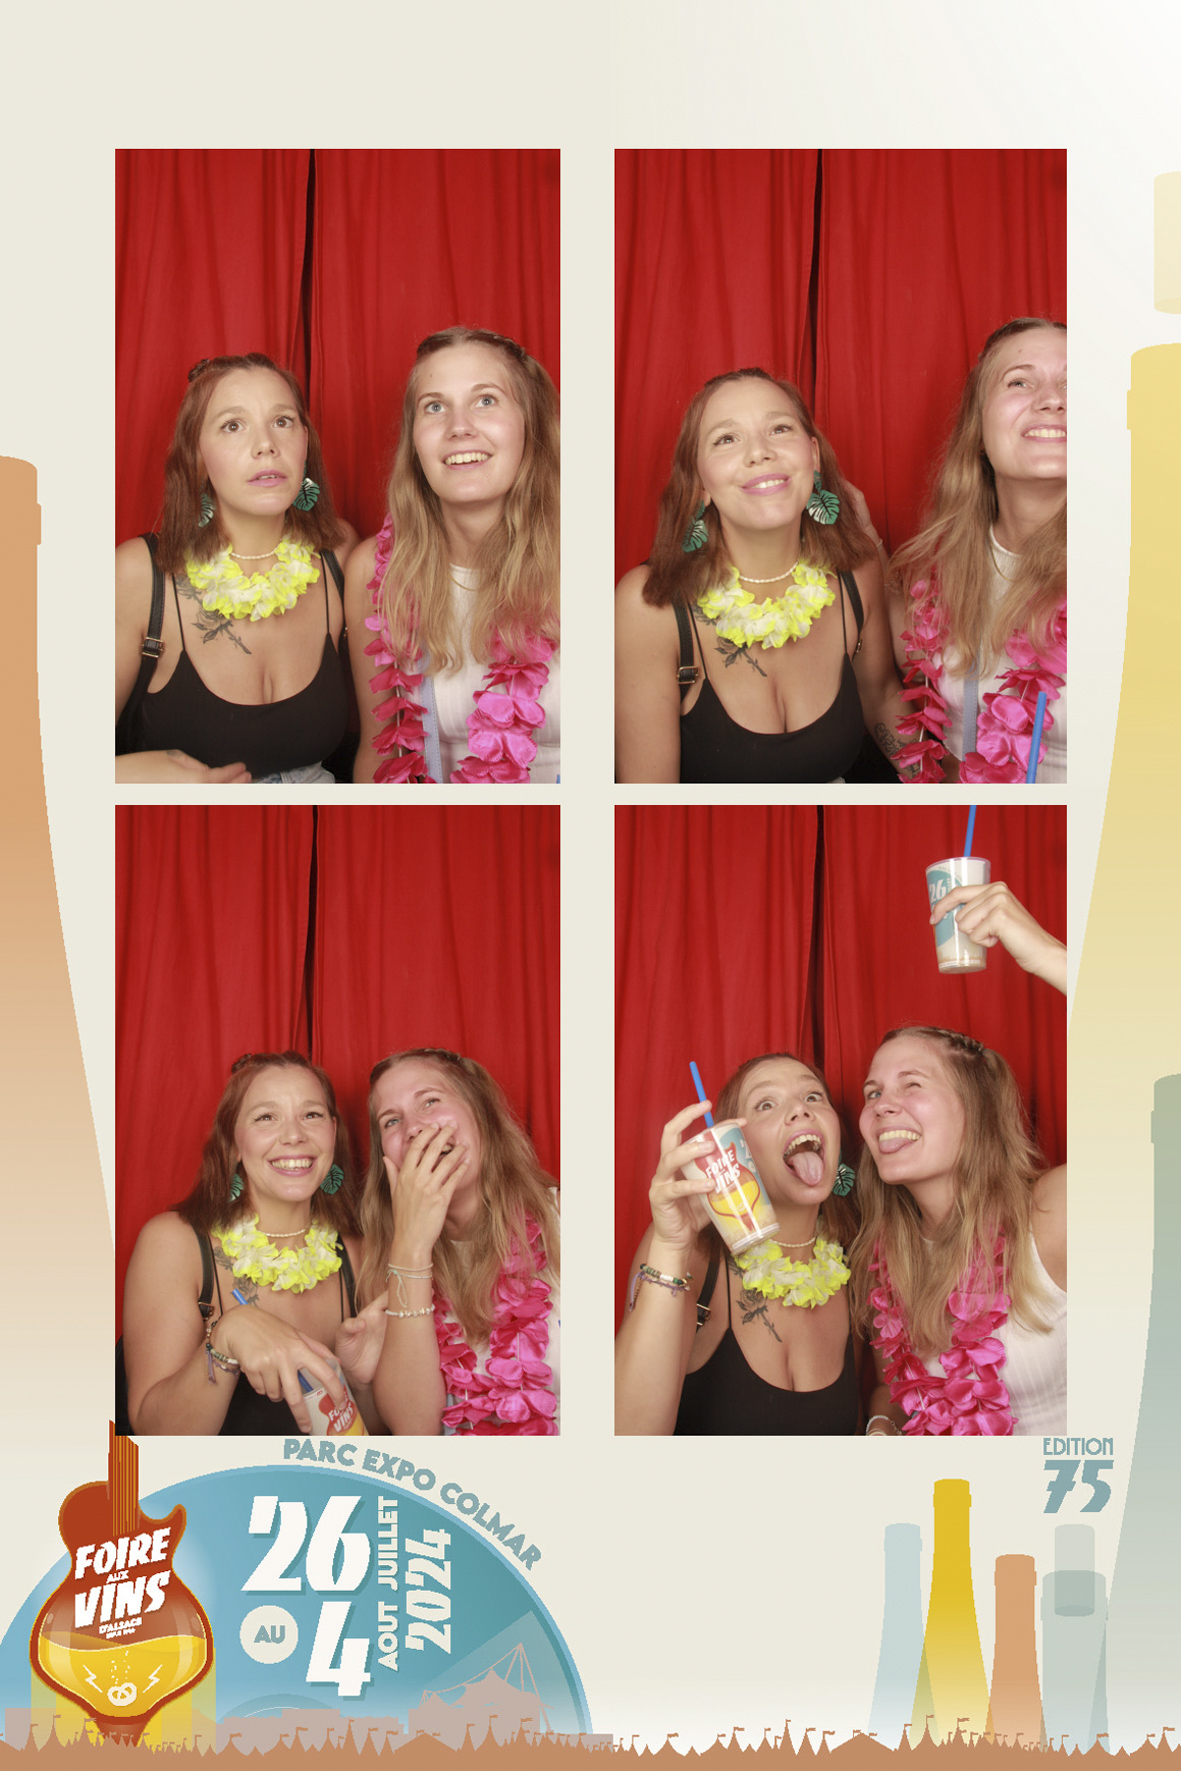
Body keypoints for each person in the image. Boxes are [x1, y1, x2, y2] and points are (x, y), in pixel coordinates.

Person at [614, 367, 907, 783]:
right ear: (699, 481)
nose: (759, 452)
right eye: (726, 439)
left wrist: (942, 778)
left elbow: (881, 697)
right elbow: (649, 799)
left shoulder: (857, 570)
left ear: (813, 456)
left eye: (779, 429)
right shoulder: (648, 607)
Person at [852, 883, 1067, 1436]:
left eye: (912, 1083)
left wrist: (1049, 958)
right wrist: (880, 1425)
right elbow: (894, 1389)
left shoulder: (1052, 1213)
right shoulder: (889, 1258)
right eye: (873, 1092)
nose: (882, 1105)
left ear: (976, 1107)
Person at [116, 353, 356, 784]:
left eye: (282, 421)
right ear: (197, 455)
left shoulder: (340, 554)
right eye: (233, 425)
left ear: (305, 442)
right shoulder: (136, 574)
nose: (266, 444)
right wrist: (127, 776)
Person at [346, 328, 560, 784]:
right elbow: (377, 753)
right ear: (414, 441)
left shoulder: (583, 563)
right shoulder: (378, 571)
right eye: (435, 407)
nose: (459, 426)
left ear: (530, 422)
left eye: (486, 400)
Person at [122, 1052, 375, 1435]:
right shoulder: (174, 1244)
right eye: (266, 1117)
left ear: (334, 1133)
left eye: (312, 1115)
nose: (294, 1135)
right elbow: (155, 1433)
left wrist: (361, 1384)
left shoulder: (361, 1254)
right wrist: (228, 1336)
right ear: (233, 1143)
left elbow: (372, 1434)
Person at [615, 1054, 863, 1435]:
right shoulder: (693, 1252)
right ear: (733, 1148)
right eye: (766, 1104)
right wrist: (670, 1247)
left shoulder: (855, 1260)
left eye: (813, 1097)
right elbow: (625, 1437)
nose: (800, 1109)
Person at [889, 318, 1067, 783]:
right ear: (979, 425)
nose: (1053, 399)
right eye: (1019, 381)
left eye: (1076, 384)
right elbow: (881, 692)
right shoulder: (931, 574)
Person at [351, 1049, 560, 1434]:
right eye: (391, 1120)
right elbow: (415, 1430)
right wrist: (411, 1246)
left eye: (430, 1101)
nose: (414, 1128)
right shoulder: (381, 1263)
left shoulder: (566, 1221)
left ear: (480, 1111)